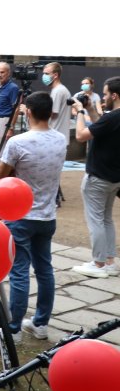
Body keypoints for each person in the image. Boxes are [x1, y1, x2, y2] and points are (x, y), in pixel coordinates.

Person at [0, 92, 67, 343]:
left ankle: (14, 328)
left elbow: (1, 179)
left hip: (21, 215)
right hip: (47, 215)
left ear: (26, 111)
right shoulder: (61, 139)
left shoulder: (18, 143)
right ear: (49, 112)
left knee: (19, 272)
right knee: (44, 269)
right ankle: (41, 323)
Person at [71, 77, 120, 278]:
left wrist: (80, 112)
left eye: (106, 93)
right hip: (114, 177)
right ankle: (109, 261)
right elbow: (102, 127)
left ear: (115, 95)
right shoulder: (113, 118)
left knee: (96, 220)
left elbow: (81, 136)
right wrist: (91, 110)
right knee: (106, 219)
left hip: (98, 177)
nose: (104, 97)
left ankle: (98, 263)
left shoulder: (113, 116)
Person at [0, 62, 20, 160]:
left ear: (8, 73)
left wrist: (11, 128)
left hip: (5, 121)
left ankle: (4, 174)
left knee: (3, 152)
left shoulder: (13, 87)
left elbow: (16, 108)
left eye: (2, 72)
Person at [43, 62, 71, 141]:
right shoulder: (59, 89)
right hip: (59, 137)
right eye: (44, 73)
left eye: (46, 73)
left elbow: (52, 113)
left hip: (55, 138)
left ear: (55, 75)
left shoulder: (58, 91)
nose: (44, 76)